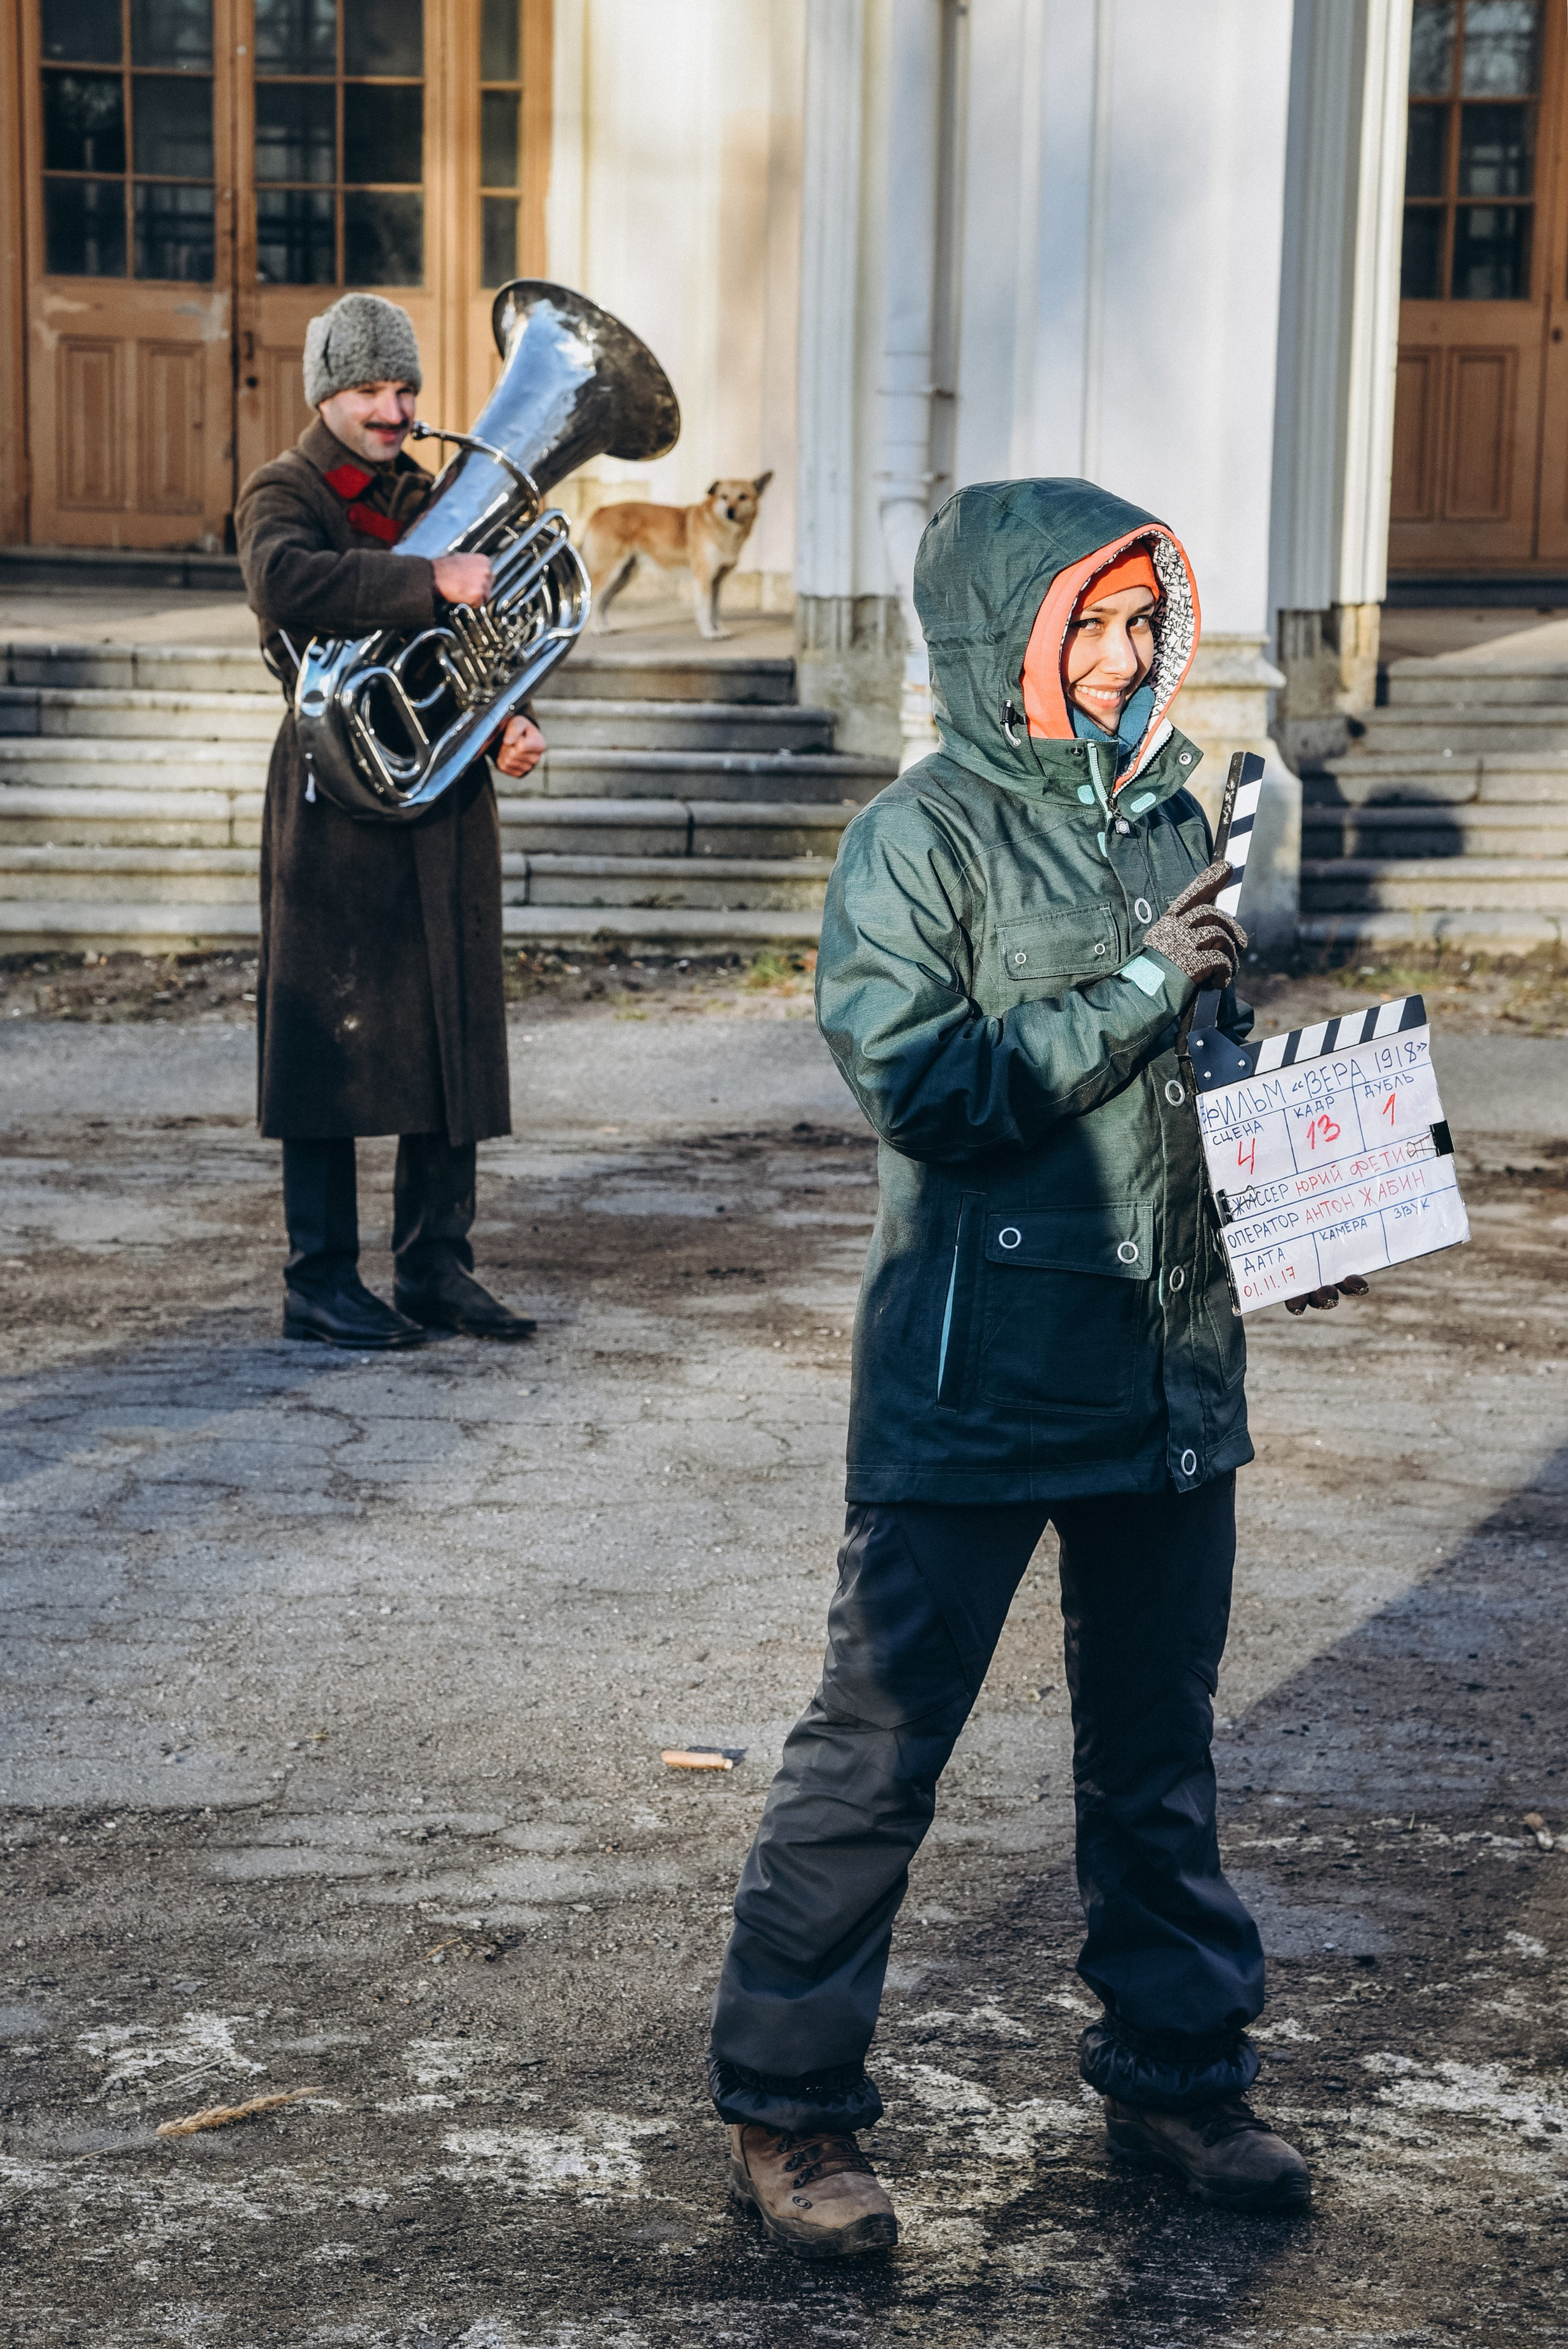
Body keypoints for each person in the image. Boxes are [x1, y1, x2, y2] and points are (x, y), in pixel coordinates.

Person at [709, 478, 1359, 2258]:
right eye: (1095, 622)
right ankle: (790, 2112)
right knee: (877, 1753)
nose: (1133, 653)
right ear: (1009, 637)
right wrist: (1150, 979)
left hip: (1165, 1376)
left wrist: (1303, 1203)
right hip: (974, 1372)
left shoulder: (1173, 813)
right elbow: (932, 1088)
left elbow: (1195, 1064)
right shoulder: (915, 841)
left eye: (1147, 620)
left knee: (1156, 1756)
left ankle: (1178, 2070)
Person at [236, 293, 545, 1349]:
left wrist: (511, 717)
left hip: (440, 781)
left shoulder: (432, 488)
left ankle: (436, 1265)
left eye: (405, 387)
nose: (393, 406)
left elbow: (485, 628)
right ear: (328, 392)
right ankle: (319, 1279)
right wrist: (427, 578)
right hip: (336, 794)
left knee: (450, 1031)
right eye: (370, 388)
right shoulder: (284, 490)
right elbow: (283, 582)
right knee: (327, 1036)